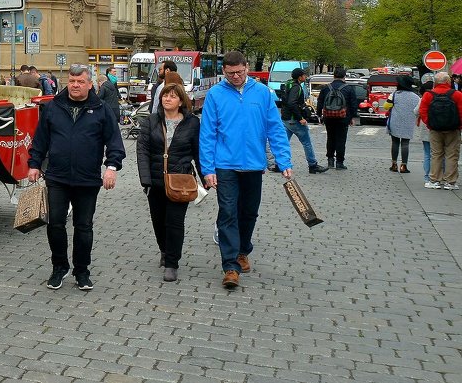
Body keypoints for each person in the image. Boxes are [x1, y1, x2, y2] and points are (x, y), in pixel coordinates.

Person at [27, 63, 125, 292]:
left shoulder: (101, 109)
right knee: (56, 224)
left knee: (84, 227)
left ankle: (82, 271)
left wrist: (111, 167)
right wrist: (34, 164)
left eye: (80, 82)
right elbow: (40, 140)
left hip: (87, 179)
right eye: (72, 81)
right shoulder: (54, 107)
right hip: (58, 177)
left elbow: (114, 143)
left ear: (90, 84)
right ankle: (59, 267)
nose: (75, 85)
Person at [200, 50, 292, 289]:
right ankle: (230, 266)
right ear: (224, 72)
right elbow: (207, 133)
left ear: (247, 68)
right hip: (224, 165)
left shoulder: (262, 93)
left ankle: (243, 249)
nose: (236, 77)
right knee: (228, 212)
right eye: (231, 73)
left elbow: (275, 129)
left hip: (253, 163)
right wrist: (207, 168)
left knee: (249, 212)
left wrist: (284, 161)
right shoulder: (215, 95)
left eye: (239, 72)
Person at [137, 79, 200, 282]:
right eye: (165, 95)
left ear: (181, 101)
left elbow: (199, 152)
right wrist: (145, 179)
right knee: (158, 221)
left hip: (180, 179)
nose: (167, 98)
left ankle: (172, 263)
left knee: (175, 222)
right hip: (155, 180)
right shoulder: (151, 120)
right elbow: (142, 150)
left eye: (172, 96)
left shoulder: (192, 123)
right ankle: (164, 250)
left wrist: (205, 176)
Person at [417, 71, 462, 190]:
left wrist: (429, 123)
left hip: (435, 129)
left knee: (436, 154)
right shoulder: (457, 94)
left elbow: (422, 111)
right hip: (453, 129)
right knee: (452, 155)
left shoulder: (428, 95)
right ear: (448, 81)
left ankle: (434, 180)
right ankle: (450, 182)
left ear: (435, 82)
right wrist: (459, 126)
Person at [278, 69, 329, 173]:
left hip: (285, 118)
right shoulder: (296, 87)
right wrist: (300, 118)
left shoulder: (288, 84)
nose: (305, 77)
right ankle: (312, 165)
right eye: (304, 75)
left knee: (283, 143)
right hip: (294, 120)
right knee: (307, 143)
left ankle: (279, 164)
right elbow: (292, 103)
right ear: (299, 77)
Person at [315, 67, 359, 169]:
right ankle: (340, 162)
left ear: (333, 76)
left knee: (330, 138)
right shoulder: (348, 88)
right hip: (343, 117)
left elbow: (320, 102)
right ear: (344, 76)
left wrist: (319, 115)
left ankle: (330, 160)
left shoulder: (326, 88)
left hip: (328, 117)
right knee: (341, 140)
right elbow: (353, 104)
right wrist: (352, 117)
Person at [386, 75, 419, 173]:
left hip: (395, 121)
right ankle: (404, 166)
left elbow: (386, 106)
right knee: (405, 143)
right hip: (408, 122)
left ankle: (394, 164)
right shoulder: (416, 97)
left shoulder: (395, 94)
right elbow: (418, 110)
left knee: (395, 142)